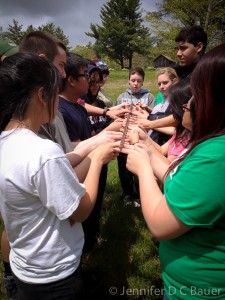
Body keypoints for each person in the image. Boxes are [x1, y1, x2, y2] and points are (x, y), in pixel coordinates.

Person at [0, 52, 120, 300]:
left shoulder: (8, 142)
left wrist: (95, 142)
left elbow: (47, 169)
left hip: (27, 266)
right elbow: (81, 210)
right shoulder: (43, 152)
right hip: (55, 276)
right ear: (43, 95)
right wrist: (97, 160)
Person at [122, 42, 225, 299]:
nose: (187, 102)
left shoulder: (216, 158)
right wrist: (146, 144)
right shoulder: (213, 144)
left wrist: (144, 170)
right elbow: (178, 178)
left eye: (197, 92)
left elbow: (159, 224)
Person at [58, 52, 121, 255]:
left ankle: (91, 243)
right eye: (86, 75)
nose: (93, 81)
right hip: (82, 172)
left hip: (94, 164)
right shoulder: (62, 110)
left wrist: (110, 119)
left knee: (94, 210)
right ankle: (84, 253)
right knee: (84, 215)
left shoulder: (77, 104)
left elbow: (90, 123)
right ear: (71, 80)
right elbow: (73, 147)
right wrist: (111, 131)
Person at [133, 25, 207, 132]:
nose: (178, 53)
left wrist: (150, 123)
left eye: (183, 48)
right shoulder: (180, 70)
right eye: (177, 48)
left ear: (199, 47)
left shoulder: (205, 75)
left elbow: (183, 115)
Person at [115, 67, 155, 205]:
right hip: (124, 137)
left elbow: (153, 118)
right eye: (133, 80)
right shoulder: (121, 97)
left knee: (140, 165)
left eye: (139, 81)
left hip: (141, 137)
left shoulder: (149, 97)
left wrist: (145, 108)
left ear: (143, 82)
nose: (135, 83)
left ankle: (139, 194)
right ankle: (127, 192)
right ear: (128, 81)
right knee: (124, 166)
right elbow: (115, 116)